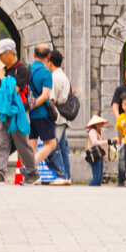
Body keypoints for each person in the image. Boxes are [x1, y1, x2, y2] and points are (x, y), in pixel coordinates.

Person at [0, 38, 40, 185]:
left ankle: (32, 173)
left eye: (2, 54)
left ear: (10, 53)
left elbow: (14, 90)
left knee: (22, 144)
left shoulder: (22, 69)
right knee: (1, 142)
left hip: (18, 112)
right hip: (3, 111)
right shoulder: (5, 70)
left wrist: (2, 77)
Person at [29, 44, 68, 184]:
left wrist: (29, 107)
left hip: (30, 115)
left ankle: (32, 176)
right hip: (42, 113)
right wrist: (35, 105)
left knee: (32, 143)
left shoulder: (27, 69)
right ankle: (29, 167)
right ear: (49, 56)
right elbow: (45, 96)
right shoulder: (46, 73)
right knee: (51, 143)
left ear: (34, 55)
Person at [47, 49, 73, 185]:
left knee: (52, 146)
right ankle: (66, 175)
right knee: (62, 147)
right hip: (64, 117)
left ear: (50, 62)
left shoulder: (53, 77)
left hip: (56, 116)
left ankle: (60, 174)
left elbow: (51, 100)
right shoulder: (63, 76)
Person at [85, 115, 108, 186]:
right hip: (95, 156)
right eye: (98, 123)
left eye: (101, 123)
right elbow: (94, 142)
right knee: (96, 178)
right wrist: (107, 141)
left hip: (98, 155)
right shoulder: (92, 131)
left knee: (99, 178)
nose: (100, 125)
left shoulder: (96, 132)